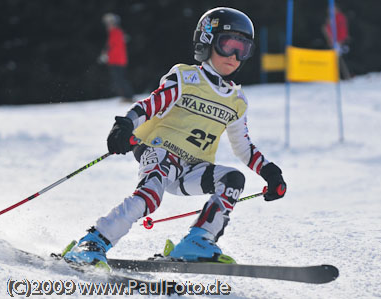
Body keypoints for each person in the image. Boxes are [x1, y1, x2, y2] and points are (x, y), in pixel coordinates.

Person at [63, 7, 287, 269]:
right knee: (150, 196)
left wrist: (270, 172)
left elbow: (243, 147)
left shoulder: (236, 100)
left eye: (243, 49)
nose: (235, 56)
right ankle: (94, 241)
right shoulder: (186, 78)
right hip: (160, 151)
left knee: (232, 179)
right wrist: (125, 125)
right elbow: (151, 104)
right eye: (228, 46)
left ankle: (198, 240)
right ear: (207, 42)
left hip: (192, 169)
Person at [100, 13, 135, 102]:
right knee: (119, 80)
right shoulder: (115, 33)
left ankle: (129, 97)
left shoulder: (116, 32)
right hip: (116, 60)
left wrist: (106, 53)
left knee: (120, 80)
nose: (108, 26)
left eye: (109, 23)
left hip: (117, 60)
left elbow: (113, 47)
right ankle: (126, 97)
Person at [322, 5, 352, 79]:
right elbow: (328, 30)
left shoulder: (339, 17)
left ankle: (346, 76)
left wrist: (339, 40)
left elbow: (341, 30)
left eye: (332, 10)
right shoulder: (332, 18)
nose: (330, 11)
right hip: (335, 41)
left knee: (340, 59)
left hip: (339, 41)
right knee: (337, 59)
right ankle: (343, 76)